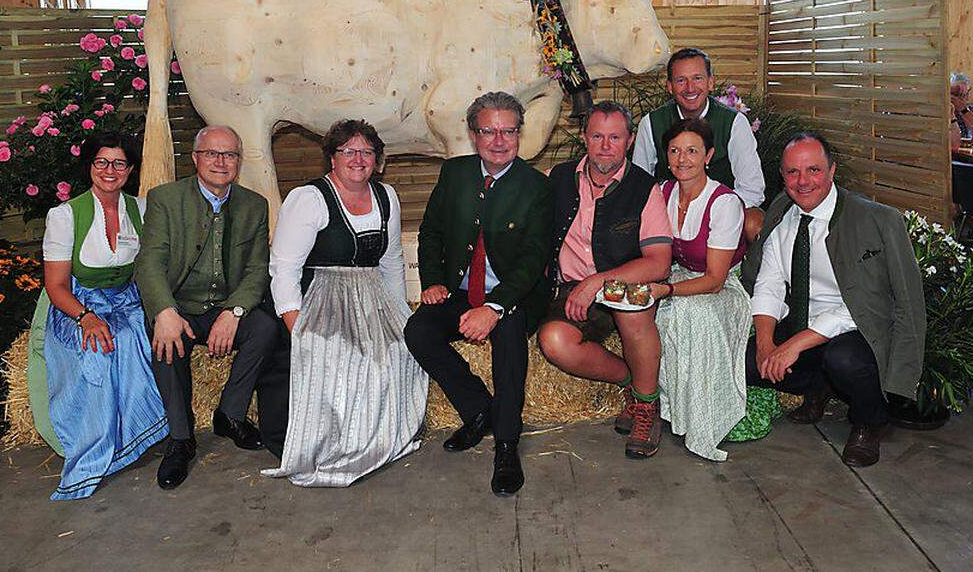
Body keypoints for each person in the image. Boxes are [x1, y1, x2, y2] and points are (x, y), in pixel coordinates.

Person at [741, 132, 926, 467]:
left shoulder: (875, 220)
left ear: (831, 171)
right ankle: (819, 387)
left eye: (813, 170)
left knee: (844, 359)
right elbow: (768, 284)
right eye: (792, 172)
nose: (803, 181)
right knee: (747, 362)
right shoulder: (782, 216)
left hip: (857, 328)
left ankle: (870, 422)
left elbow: (867, 304)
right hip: (801, 320)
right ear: (782, 178)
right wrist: (767, 344)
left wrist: (794, 345)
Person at [404, 92, 552, 496]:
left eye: (508, 131)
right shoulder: (454, 174)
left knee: (508, 337)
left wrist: (495, 306)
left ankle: (506, 444)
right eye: (489, 131)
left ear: (519, 134)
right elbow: (432, 231)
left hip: (512, 294)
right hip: (459, 290)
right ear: (473, 135)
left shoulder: (537, 186)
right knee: (418, 330)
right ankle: (476, 410)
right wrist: (433, 280)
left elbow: (533, 260)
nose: (499, 140)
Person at [265, 120, 427, 487]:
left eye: (367, 152)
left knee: (397, 348)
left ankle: (382, 439)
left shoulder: (387, 196)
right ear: (332, 158)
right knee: (341, 352)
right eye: (348, 151)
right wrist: (298, 327)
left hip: (372, 294)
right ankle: (336, 445)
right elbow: (285, 268)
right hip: (323, 293)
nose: (358, 159)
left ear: (377, 160)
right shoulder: (309, 198)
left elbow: (391, 261)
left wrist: (400, 312)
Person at [135, 125, 284, 490]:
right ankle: (181, 438)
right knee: (163, 338)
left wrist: (234, 312)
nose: (221, 161)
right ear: (196, 158)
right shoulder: (165, 199)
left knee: (265, 328)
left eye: (230, 154)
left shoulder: (254, 204)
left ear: (238, 161)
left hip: (223, 307)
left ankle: (230, 414)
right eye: (212, 154)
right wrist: (164, 312)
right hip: (180, 306)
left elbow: (256, 270)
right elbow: (149, 262)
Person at [34, 131, 168, 500]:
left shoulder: (140, 210)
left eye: (119, 163)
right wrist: (86, 318)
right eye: (102, 162)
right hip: (77, 302)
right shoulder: (65, 216)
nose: (110, 170)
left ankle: (135, 434)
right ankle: (95, 443)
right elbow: (56, 286)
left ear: (131, 169)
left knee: (142, 337)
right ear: (90, 166)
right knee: (98, 347)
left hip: (127, 298)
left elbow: (153, 266)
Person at [537, 100, 672, 459]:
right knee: (553, 341)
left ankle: (646, 406)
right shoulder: (558, 179)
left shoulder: (645, 188)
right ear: (585, 137)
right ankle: (630, 379)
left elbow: (659, 263)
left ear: (629, 141)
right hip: (570, 287)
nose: (605, 146)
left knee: (633, 305)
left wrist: (597, 282)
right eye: (597, 136)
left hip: (620, 283)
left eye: (615, 137)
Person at [647, 118, 756, 461]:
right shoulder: (661, 192)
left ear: (708, 155)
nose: (683, 159)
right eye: (675, 151)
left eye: (692, 151)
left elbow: (715, 280)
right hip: (675, 276)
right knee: (655, 312)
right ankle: (670, 408)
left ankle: (704, 418)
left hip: (721, 286)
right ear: (666, 156)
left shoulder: (724, 203)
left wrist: (666, 292)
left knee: (692, 313)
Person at [632, 47, 766, 241]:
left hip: (721, 214)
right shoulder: (651, 123)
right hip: (670, 212)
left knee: (754, 220)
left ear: (710, 82)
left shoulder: (734, 123)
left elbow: (752, 189)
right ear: (669, 86)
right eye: (681, 80)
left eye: (697, 78)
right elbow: (640, 184)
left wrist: (714, 213)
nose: (690, 88)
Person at [949, 72, 973, 150]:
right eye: (955, 94)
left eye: (963, 95)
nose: (958, 99)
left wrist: (964, 111)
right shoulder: (941, 112)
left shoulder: (972, 111)